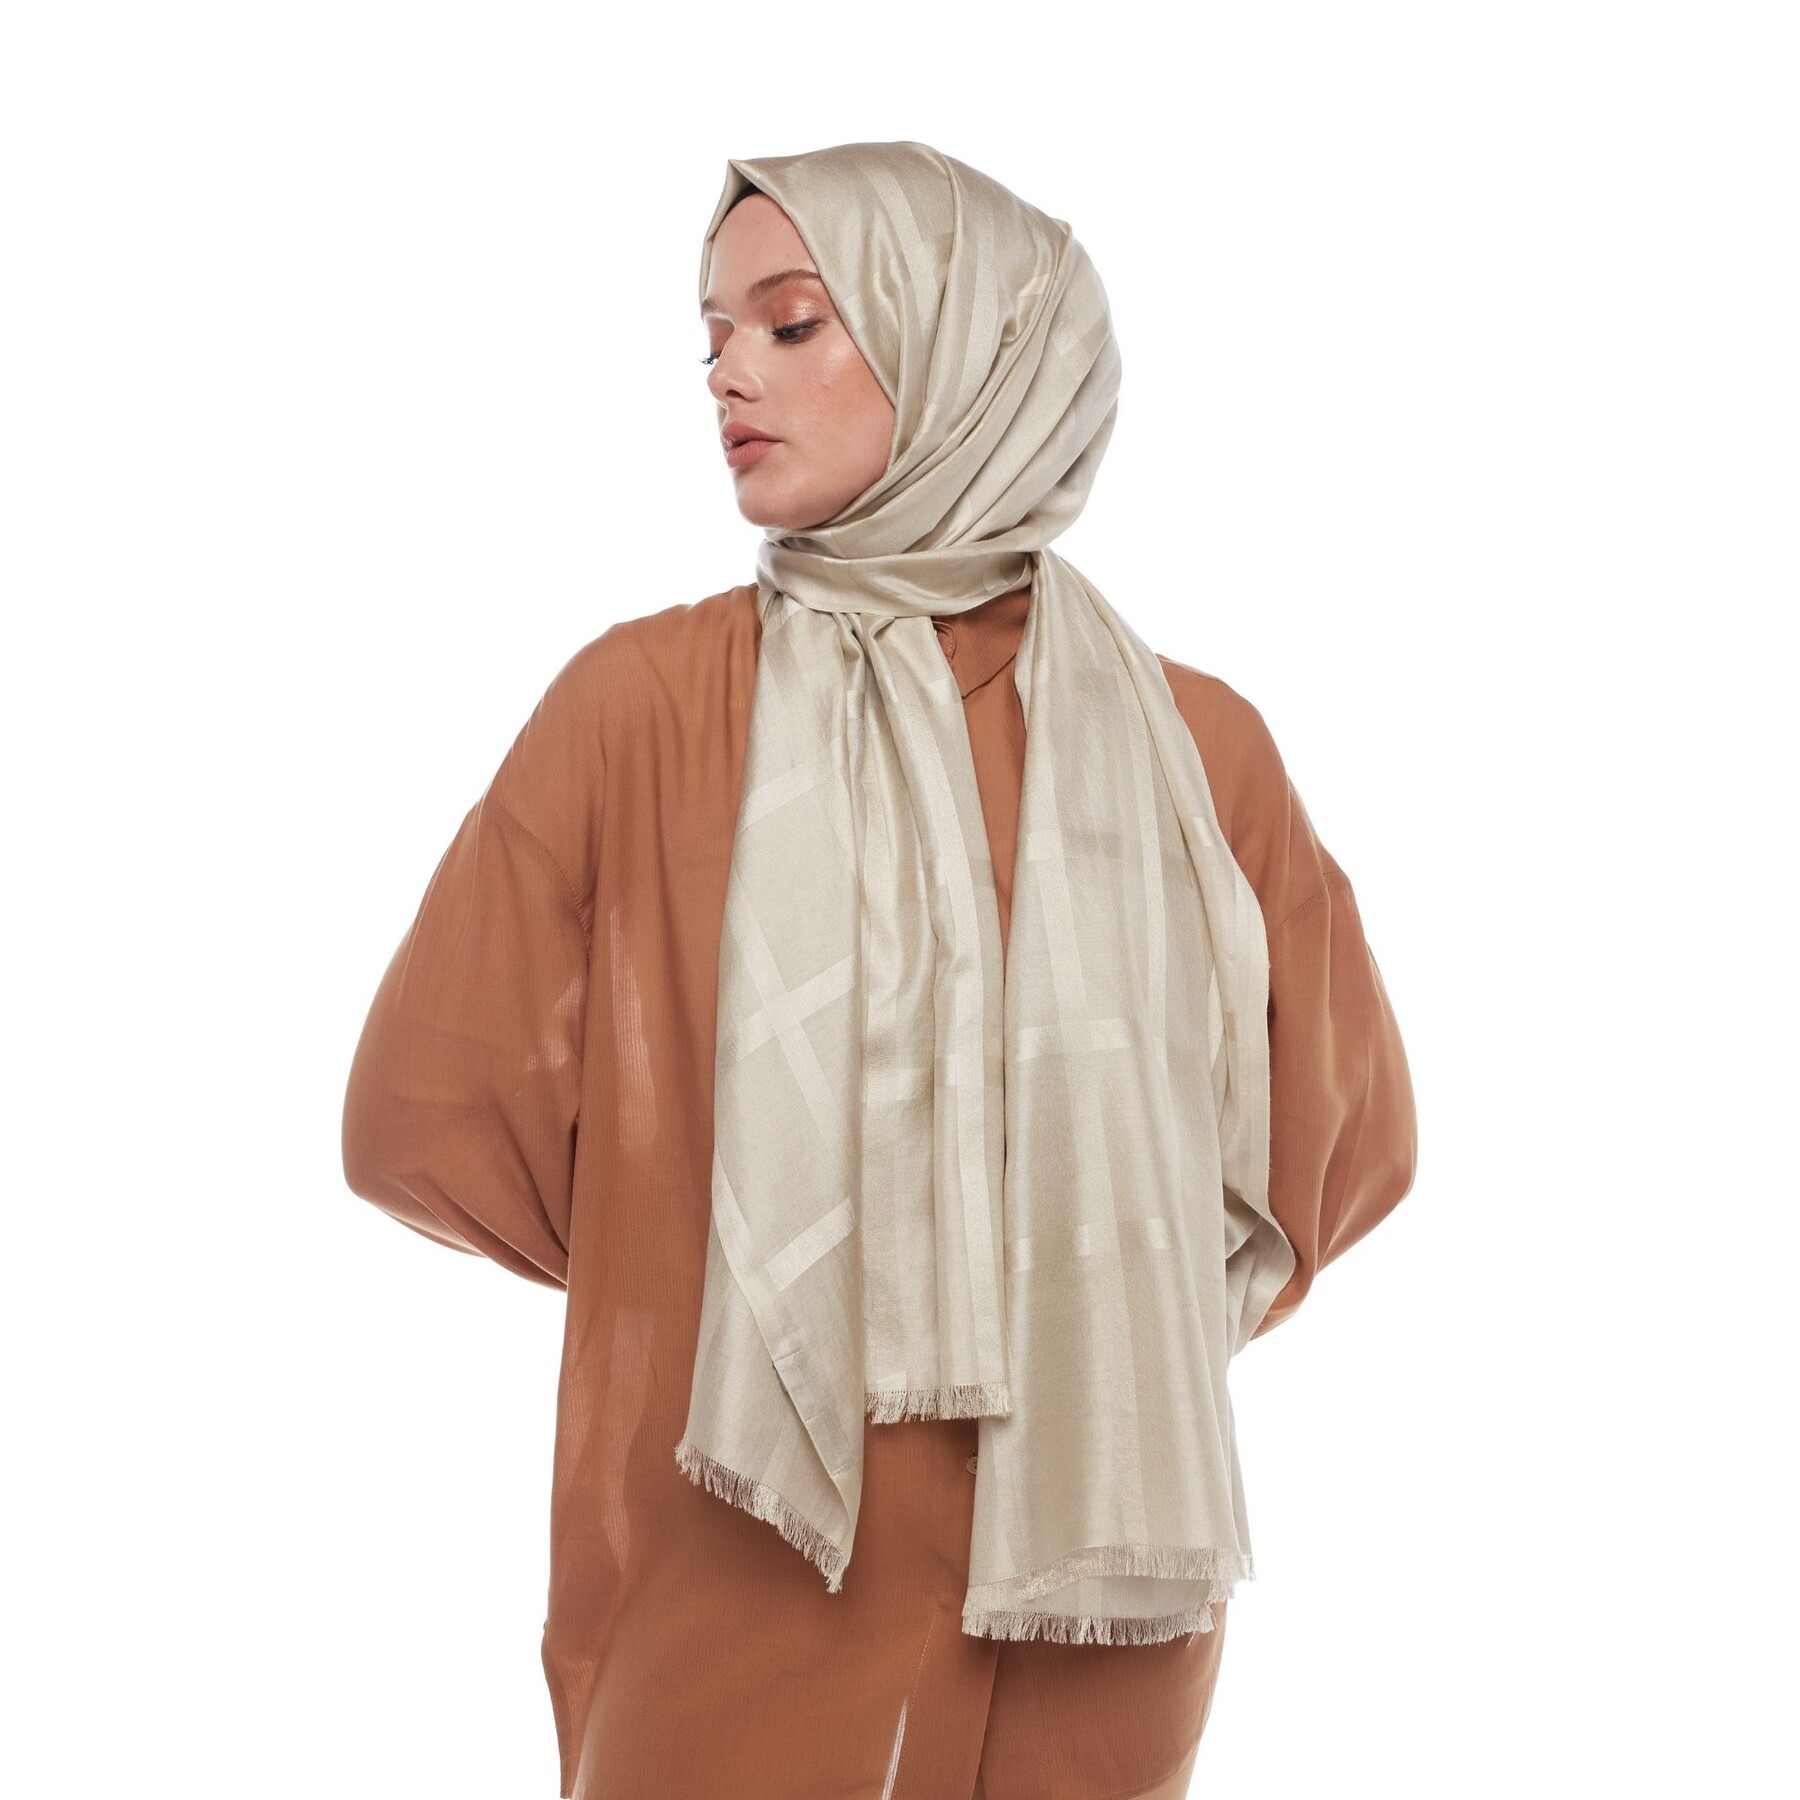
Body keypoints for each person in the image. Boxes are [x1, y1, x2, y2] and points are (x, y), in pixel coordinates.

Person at [342, 141, 1417, 1800]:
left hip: (1074, 1597)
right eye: (712, 336)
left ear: (976, 348)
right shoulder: (646, 712)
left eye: (791, 324)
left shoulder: (1191, 750)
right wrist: (724, 1272)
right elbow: (420, 1120)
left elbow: (1340, 1150)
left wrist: (728, 1260)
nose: (728, 376)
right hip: (772, 1543)